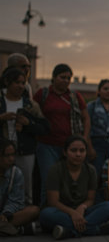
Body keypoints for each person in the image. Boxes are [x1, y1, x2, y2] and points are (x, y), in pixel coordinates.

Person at [33, 63, 94, 205]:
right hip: (46, 144)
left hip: (70, 146)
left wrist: (84, 138)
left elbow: (86, 118)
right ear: (53, 78)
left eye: (69, 78)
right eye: (62, 77)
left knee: (68, 180)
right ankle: (45, 214)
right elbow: (33, 113)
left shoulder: (74, 96)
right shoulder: (43, 94)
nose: (66, 81)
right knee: (48, 179)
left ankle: (66, 214)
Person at [39, 135, 109, 240]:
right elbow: (53, 202)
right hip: (63, 212)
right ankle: (97, 230)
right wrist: (73, 213)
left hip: (84, 213)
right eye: (73, 150)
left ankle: (69, 232)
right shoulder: (55, 170)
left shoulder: (91, 170)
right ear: (65, 152)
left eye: (82, 151)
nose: (78, 154)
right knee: (46, 214)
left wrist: (82, 207)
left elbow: (90, 199)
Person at [0, 67, 49, 205]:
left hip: (25, 151)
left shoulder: (30, 105)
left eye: (23, 83)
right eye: (17, 82)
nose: (21, 86)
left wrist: (28, 123)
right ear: (7, 82)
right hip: (2, 152)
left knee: (26, 188)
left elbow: (45, 128)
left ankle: (24, 220)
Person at [0, 139, 39, 236]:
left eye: (13, 155)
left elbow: (16, 200)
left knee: (33, 210)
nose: (11, 159)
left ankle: (6, 228)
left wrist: (6, 214)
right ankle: (16, 230)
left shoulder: (16, 173)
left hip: (5, 215)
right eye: (7, 156)